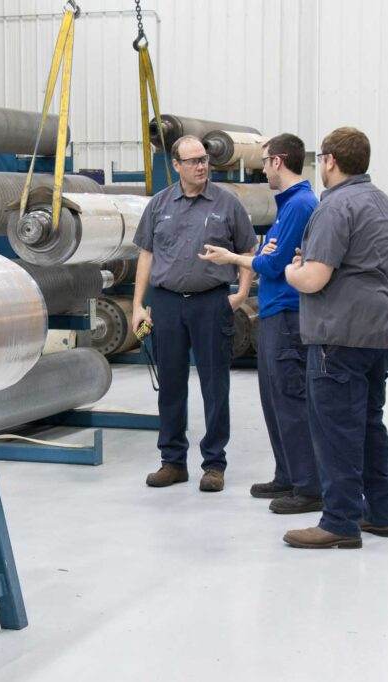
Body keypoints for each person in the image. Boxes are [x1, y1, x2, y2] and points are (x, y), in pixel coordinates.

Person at [281, 127, 388, 549]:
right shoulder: (381, 202)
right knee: (369, 423)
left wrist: (289, 270)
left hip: (341, 335)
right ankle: (380, 513)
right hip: (380, 331)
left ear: (331, 160)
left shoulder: (335, 207)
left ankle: (339, 521)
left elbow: (314, 279)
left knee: (336, 429)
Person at [199, 134, 322, 513]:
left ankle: (308, 486)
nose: (262, 167)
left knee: (289, 400)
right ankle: (287, 474)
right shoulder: (288, 205)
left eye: (265, 160)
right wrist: (261, 255)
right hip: (273, 312)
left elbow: (272, 264)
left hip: (287, 313)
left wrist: (233, 258)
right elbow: (270, 255)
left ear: (279, 162)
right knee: (273, 401)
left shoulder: (300, 204)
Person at [132, 135, 257, 493]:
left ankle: (214, 464)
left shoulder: (226, 203)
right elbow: (146, 254)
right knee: (170, 384)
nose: (201, 166)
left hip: (211, 302)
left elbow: (249, 247)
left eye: (204, 160)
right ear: (177, 166)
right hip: (168, 303)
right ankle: (172, 461)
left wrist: (243, 293)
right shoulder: (159, 205)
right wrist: (139, 304)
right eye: (193, 161)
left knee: (214, 384)